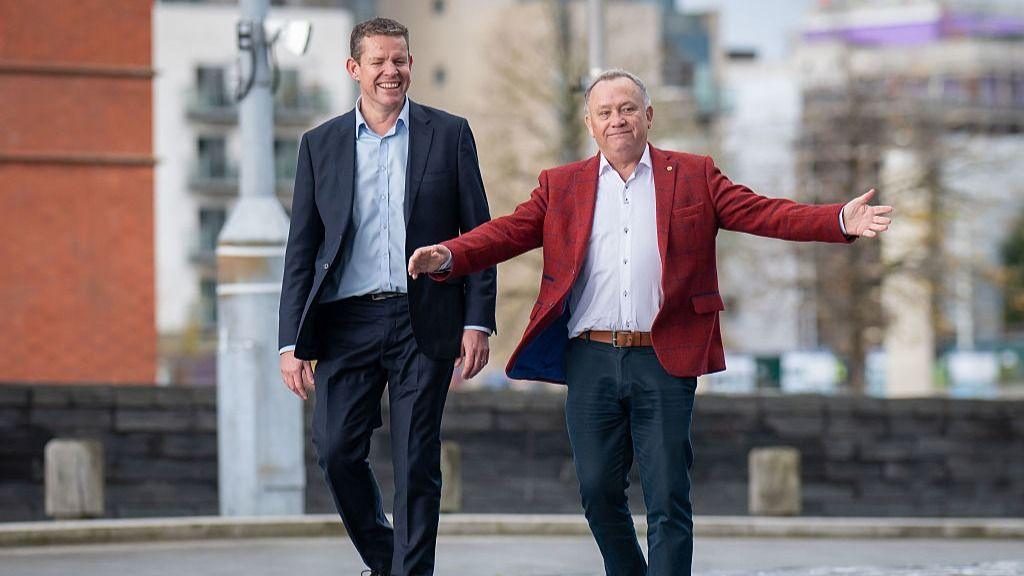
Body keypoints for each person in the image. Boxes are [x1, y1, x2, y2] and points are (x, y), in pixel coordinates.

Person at [408, 69, 892, 576]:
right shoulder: (561, 186)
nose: (617, 120)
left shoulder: (693, 175)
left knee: (667, 495)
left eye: (627, 109)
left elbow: (764, 213)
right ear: (590, 125)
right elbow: (507, 232)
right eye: (605, 112)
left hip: (664, 357)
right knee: (597, 491)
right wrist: (449, 254)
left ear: (648, 116)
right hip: (590, 359)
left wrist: (838, 220)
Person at [277, 17, 496, 576]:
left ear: (411, 64)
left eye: (398, 60)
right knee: (334, 450)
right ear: (354, 68)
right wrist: (289, 343)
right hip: (344, 322)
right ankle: (384, 557)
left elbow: (478, 236)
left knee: (417, 459)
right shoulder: (318, 145)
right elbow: (302, 250)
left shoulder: (449, 135)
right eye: (377, 62)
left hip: (423, 318)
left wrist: (478, 321)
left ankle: (409, 571)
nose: (389, 72)